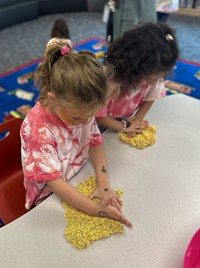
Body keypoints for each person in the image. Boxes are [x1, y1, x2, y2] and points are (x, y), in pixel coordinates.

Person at [20, 38, 132, 227]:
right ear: (53, 98)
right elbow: (54, 183)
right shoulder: (39, 131)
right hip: (48, 193)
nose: (86, 121)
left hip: (76, 172)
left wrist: (103, 184)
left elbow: (95, 142)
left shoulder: (80, 111)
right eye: (78, 117)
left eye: (91, 115)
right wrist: (97, 210)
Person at [96, 22, 179, 133]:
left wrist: (137, 120)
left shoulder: (153, 76)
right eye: (155, 74)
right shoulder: (110, 80)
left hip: (121, 120)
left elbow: (150, 97)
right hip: (98, 124)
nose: (159, 78)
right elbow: (99, 115)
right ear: (135, 67)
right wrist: (124, 127)